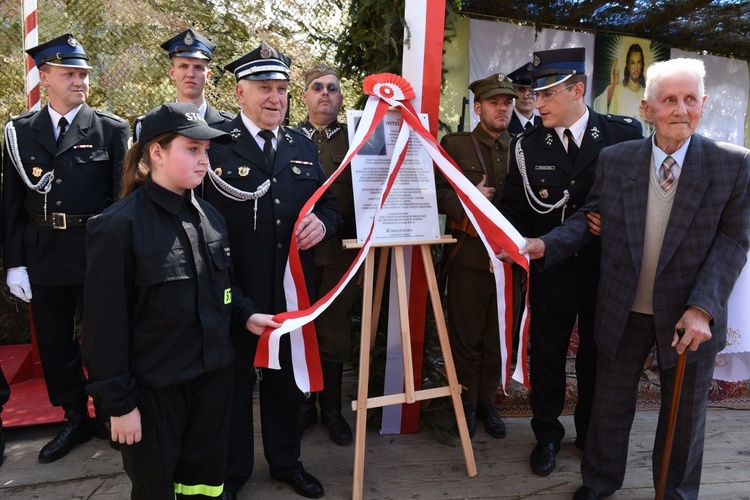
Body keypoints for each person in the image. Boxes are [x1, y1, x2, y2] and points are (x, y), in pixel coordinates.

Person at [519, 58, 750, 500]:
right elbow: (589, 218)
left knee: (683, 414)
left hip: (689, 316)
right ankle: (600, 483)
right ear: (648, 109)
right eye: (668, 100)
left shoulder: (733, 166)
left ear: (703, 104)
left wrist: (703, 309)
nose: (680, 109)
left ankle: (675, 493)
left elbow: (733, 242)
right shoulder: (616, 158)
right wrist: (546, 244)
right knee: (608, 406)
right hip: (623, 307)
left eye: (689, 100)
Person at [82, 102, 279, 499]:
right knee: (155, 489)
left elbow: (222, 286)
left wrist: (245, 314)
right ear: (156, 152)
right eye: (192, 149)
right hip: (155, 396)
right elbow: (103, 327)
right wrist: (119, 405)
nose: (204, 160)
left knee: (205, 486)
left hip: (212, 384)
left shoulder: (210, 216)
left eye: (206, 151)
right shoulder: (117, 227)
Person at [202, 42, 340, 500]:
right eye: (264, 88)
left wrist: (325, 221)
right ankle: (234, 470)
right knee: (235, 383)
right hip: (234, 289)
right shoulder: (217, 145)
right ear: (240, 92)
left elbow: (329, 203)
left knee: (285, 382)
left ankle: (287, 462)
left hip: (291, 290)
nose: (274, 98)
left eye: (281, 89)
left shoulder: (302, 144)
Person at [498, 47, 642, 477]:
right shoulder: (526, 145)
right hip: (552, 268)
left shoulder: (623, 135)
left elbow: (639, 200)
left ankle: (589, 432)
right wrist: (514, 240)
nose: (535, 103)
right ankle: (546, 436)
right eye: (533, 94)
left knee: (598, 358)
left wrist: (611, 224)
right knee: (547, 357)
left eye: (546, 94)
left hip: (606, 270)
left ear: (578, 90)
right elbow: (513, 207)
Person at [1, 33, 129, 463]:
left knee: (103, 340)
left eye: (83, 74)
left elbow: (120, 200)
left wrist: (120, 258)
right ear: (46, 76)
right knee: (55, 344)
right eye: (69, 73)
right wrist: (14, 264)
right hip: (43, 253)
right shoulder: (20, 133)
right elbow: (12, 203)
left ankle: (112, 414)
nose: (79, 81)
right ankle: (75, 416)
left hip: (95, 252)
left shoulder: (111, 129)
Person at [436, 73, 519, 440]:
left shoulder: (521, 146)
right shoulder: (455, 145)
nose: (502, 109)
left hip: (509, 260)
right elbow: (436, 191)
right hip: (468, 255)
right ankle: (467, 405)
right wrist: (468, 198)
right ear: (479, 106)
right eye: (494, 103)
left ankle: (487, 402)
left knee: (497, 336)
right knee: (466, 336)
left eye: (507, 103)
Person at [296, 63, 355, 446]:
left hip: (338, 253)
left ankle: (331, 407)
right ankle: (302, 406)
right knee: (298, 327)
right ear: (304, 95)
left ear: (340, 96)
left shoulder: (356, 140)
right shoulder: (286, 138)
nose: (325, 94)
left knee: (333, 331)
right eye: (317, 87)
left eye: (332, 88)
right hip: (295, 255)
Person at [132, 29, 233, 140]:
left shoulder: (230, 126)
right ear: (172, 72)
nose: (190, 74)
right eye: (183, 66)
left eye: (198, 67)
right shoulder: (152, 124)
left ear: (208, 76)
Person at [592, 43, 651, 135]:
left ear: (642, 65)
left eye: (639, 62)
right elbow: (597, 106)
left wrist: (649, 118)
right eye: (632, 63)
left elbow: (654, 128)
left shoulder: (647, 94)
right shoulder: (618, 90)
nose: (636, 68)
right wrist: (612, 86)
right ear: (628, 66)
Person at [507, 62, 542, 136]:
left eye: (531, 90)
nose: (526, 96)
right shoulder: (504, 123)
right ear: (513, 92)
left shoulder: (545, 125)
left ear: (538, 93)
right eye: (521, 90)